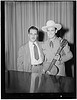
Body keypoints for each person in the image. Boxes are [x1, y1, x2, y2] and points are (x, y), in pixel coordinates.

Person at [17, 26, 44, 93]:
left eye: (35, 34)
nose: (33, 36)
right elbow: (19, 64)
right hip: (30, 69)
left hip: (42, 69)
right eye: (31, 34)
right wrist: (21, 76)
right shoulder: (22, 48)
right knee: (31, 90)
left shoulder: (42, 44)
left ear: (37, 35)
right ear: (28, 35)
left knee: (40, 89)